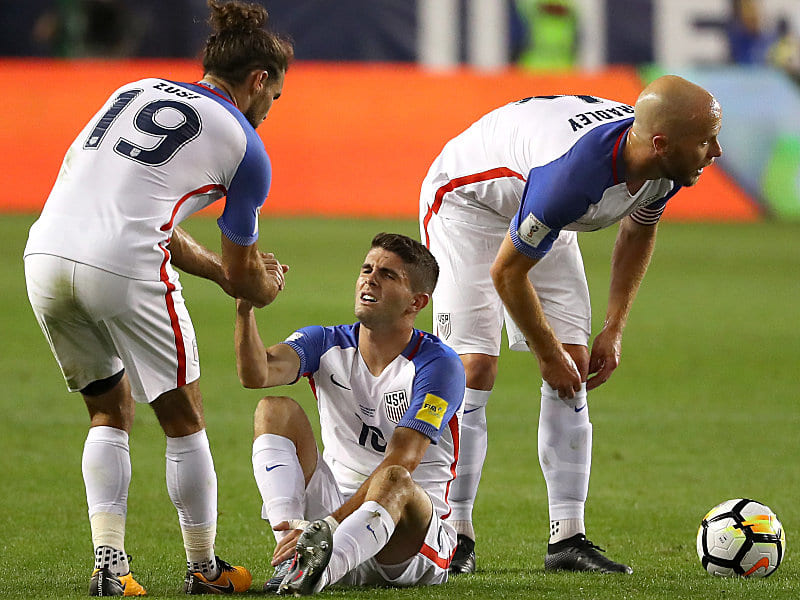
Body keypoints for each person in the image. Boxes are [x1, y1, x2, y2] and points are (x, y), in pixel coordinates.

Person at [23, 0, 293, 595]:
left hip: (43, 252)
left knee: (106, 409)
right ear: (257, 81)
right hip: (123, 265)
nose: (271, 109)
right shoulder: (247, 147)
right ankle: (204, 567)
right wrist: (257, 286)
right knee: (183, 417)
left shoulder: (134, 88)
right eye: (274, 96)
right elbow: (245, 275)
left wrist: (223, 275)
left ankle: (109, 568)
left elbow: (147, 213)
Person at [419, 75, 722, 574]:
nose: (717, 151)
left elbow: (637, 231)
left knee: (575, 363)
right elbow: (507, 272)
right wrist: (543, 354)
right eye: (707, 139)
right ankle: (455, 533)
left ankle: (567, 539)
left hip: (537, 206)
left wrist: (614, 327)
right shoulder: (573, 177)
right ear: (663, 143)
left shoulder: (664, 164)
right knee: (472, 368)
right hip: (467, 203)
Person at [234, 233, 465, 595]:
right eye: (367, 269)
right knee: (273, 410)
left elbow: (404, 460)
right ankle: (292, 557)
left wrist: (329, 524)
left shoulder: (438, 365)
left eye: (388, 275)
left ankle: (315, 570)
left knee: (394, 477)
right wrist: (245, 308)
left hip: (407, 539)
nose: (369, 279)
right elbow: (256, 374)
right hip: (334, 514)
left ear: (416, 302)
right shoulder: (325, 343)